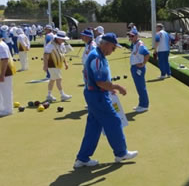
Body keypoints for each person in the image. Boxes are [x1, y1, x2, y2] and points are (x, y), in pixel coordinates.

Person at [74, 33, 138, 168]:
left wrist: (109, 88)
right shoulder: (97, 57)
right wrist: (117, 86)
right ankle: (121, 153)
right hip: (97, 96)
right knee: (114, 120)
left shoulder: (97, 54)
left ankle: (82, 158)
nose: (113, 51)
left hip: (94, 94)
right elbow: (101, 82)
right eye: (113, 48)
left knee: (94, 126)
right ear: (107, 44)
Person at [43, 30, 72, 102]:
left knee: (52, 80)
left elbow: (63, 54)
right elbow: (45, 55)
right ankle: (62, 95)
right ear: (58, 38)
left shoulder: (61, 44)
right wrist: (45, 65)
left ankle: (49, 95)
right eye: (62, 39)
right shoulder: (50, 45)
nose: (63, 40)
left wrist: (66, 63)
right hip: (52, 65)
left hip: (58, 65)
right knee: (59, 79)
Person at [128, 27, 150, 112]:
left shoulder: (139, 44)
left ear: (136, 36)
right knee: (139, 87)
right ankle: (141, 104)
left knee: (141, 87)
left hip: (138, 68)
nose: (130, 38)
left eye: (132, 36)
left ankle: (144, 105)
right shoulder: (135, 44)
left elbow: (147, 54)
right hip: (134, 67)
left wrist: (143, 63)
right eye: (130, 36)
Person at [0, 26, 15, 117]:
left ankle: (8, 109)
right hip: (3, 71)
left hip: (5, 72)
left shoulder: (1, 45)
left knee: (6, 90)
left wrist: (2, 74)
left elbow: (5, 59)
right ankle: (2, 108)